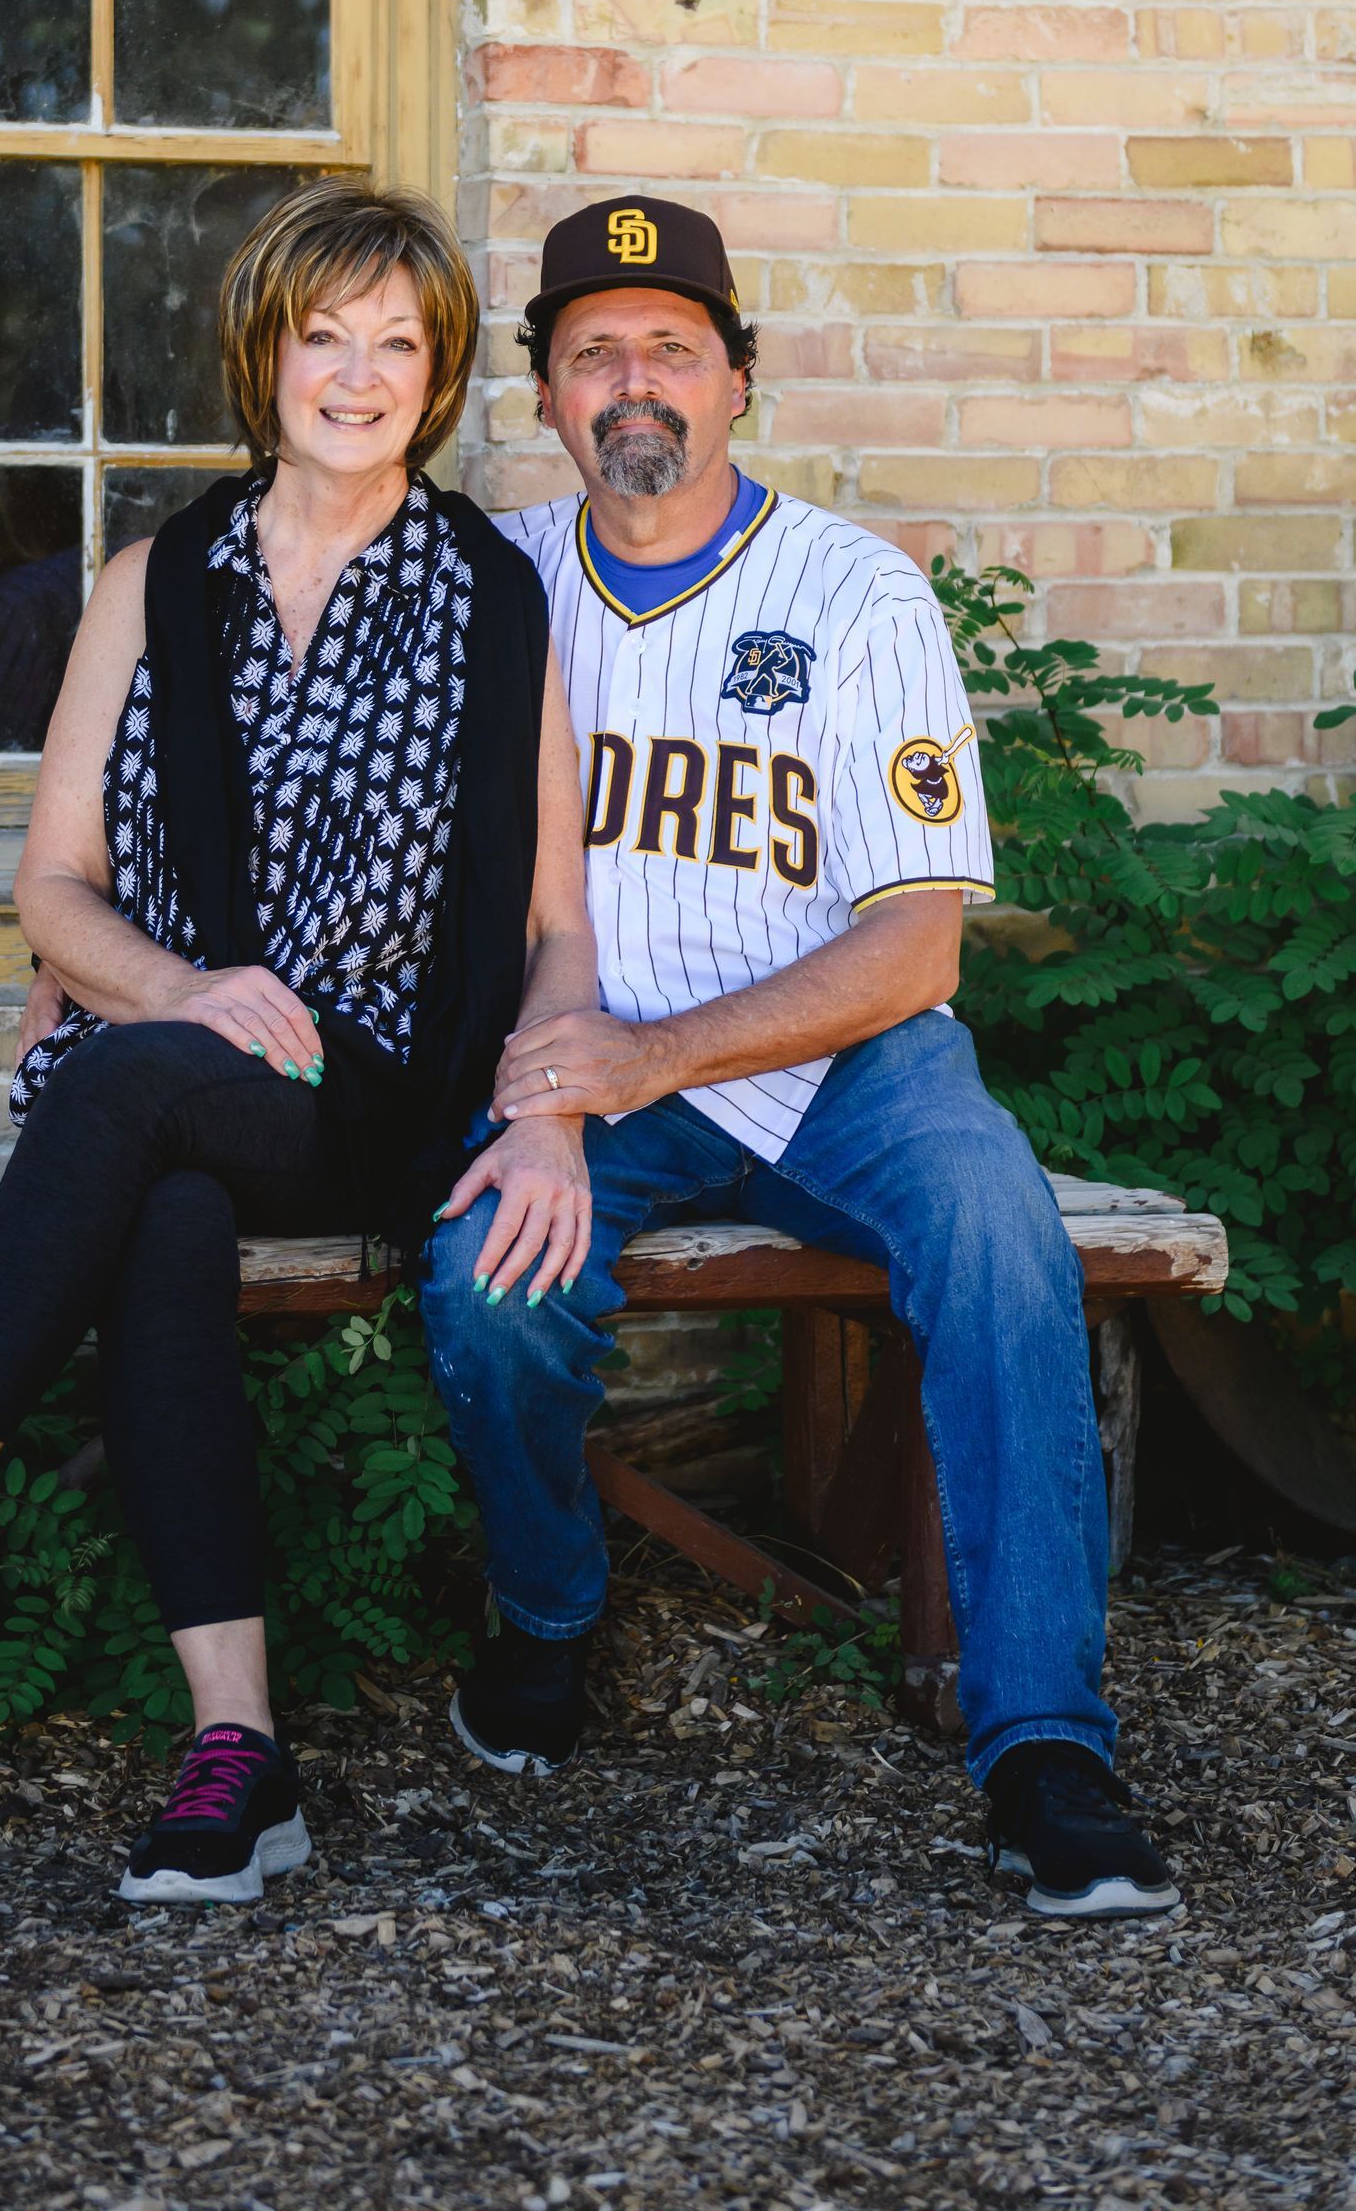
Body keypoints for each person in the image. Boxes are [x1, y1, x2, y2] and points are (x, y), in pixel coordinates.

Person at [0, 179, 597, 1907]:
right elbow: (56, 886)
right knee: (158, 1195)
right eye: (325, 334)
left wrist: (547, 1113)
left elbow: (557, 922)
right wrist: (179, 992)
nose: (359, 372)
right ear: (264, 353)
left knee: (119, 1094)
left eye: (400, 342)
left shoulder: (495, 594)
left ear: (443, 372)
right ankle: (239, 1756)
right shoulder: (149, 583)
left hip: (376, 1089)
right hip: (164, 1076)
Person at [422, 191, 1179, 1924]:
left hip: (849, 1058)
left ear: (740, 380)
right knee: (485, 1285)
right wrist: (563, 1079)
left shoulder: (856, 589)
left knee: (1003, 1242)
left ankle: (1047, 1746)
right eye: (593, 350)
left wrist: (644, 1053)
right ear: (540, 390)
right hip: (585, 1062)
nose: (635, 384)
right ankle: (547, 1614)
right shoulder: (494, 585)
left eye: (672, 350)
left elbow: (917, 944)